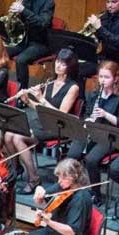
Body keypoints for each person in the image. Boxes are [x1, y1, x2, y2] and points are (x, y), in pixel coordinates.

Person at [5, 49, 82, 194]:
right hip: (43, 122)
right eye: (58, 61)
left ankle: (33, 178)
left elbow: (60, 114)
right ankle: (15, 170)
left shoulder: (73, 87)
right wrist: (27, 101)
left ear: (70, 67)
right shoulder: (49, 81)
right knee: (8, 134)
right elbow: (41, 109)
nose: (58, 66)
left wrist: (40, 98)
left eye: (63, 64)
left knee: (17, 137)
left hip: (58, 127)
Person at [71, 61, 119, 205]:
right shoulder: (94, 94)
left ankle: (96, 194)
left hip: (110, 136)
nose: (103, 80)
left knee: (92, 159)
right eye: (101, 77)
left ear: (115, 79)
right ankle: (73, 189)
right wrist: (88, 120)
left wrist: (105, 114)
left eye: (107, 77)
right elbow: (86, 113)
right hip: (93, 131)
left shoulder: (117, 99)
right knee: (72, 155)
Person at [5, 0, 56, 91]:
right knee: (2, 51)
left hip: (41, 43)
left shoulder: (48, 3)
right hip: (24, 39)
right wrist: (15, 15)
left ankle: (22, 94)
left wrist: (23, 10)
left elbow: (44, 23)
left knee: (21, 60)